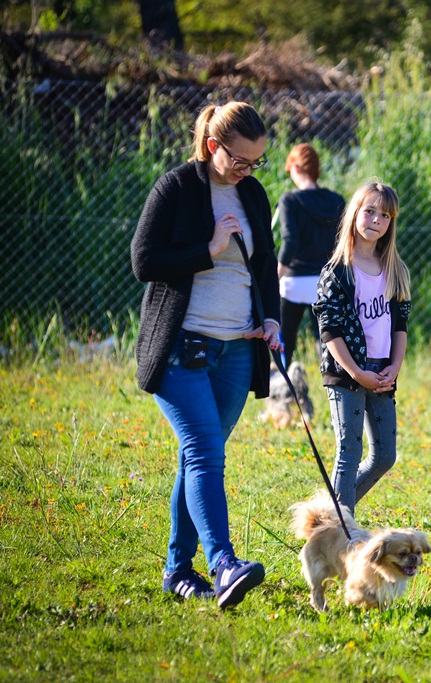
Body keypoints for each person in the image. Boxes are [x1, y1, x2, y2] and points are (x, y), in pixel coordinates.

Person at [131, 101, 282, 609]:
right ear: (213, 146)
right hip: (180, 345)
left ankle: (178, 570)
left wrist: (272, 319)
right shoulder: (175, 188)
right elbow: (144, 260)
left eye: (257, 162)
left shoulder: (254, 194)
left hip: (238, 350)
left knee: (198, 458)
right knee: (204, 454)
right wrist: (210, 248)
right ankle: (223, 564)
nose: (248, 170)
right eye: (240, 161)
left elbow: (265, 267)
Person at [312, 181, 411, 514]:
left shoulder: (396, 271)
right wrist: (356, 372)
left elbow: (400, 326)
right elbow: (330, 330)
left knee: (385, 456)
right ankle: (342, 532)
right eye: (369, 211)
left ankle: (331, 516)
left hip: (382, 370)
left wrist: (394, 368)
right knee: (349, 451)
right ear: (355, 213)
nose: (376, 220)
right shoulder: (337, 272)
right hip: (346, 371)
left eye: (385, 215)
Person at [275, 143, 346, 369]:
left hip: (294, 282)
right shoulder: (336, 200)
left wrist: (276, 275)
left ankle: (282, 391)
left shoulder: (290, 200)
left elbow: (290, 240)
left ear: (295, 167)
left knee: (284, 340)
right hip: (327, 282)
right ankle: (334, 389)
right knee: (328, 342)